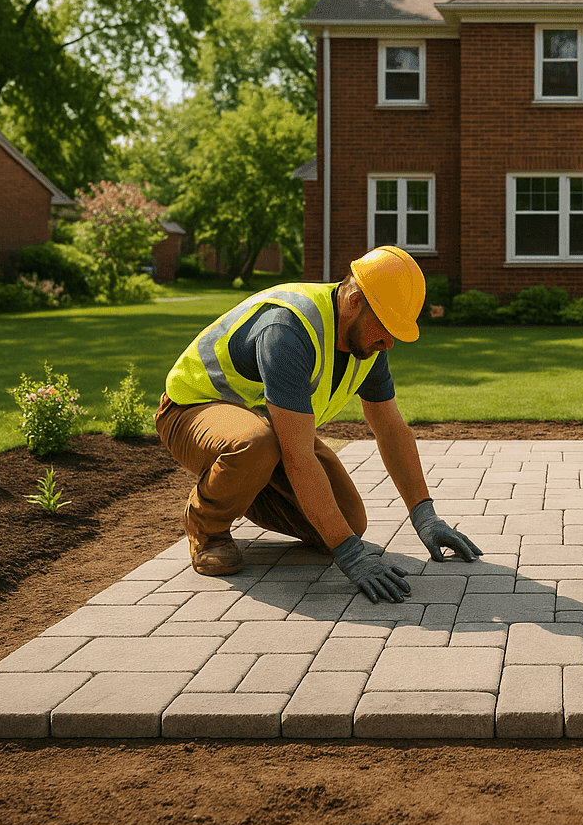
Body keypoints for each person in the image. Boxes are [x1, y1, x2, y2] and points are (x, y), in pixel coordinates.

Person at [157, 245, 481, 603]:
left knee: (349, 522)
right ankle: (207, 526)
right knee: (257, 444)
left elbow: (390, 427)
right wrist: (350, 555)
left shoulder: (367, 343)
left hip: (267, 428)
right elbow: (297, 455)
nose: (389, 341)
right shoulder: (288, 330)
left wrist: (425, 515)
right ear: (355, 300)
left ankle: (241, 483)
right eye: (386, 326)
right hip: (190, 410)